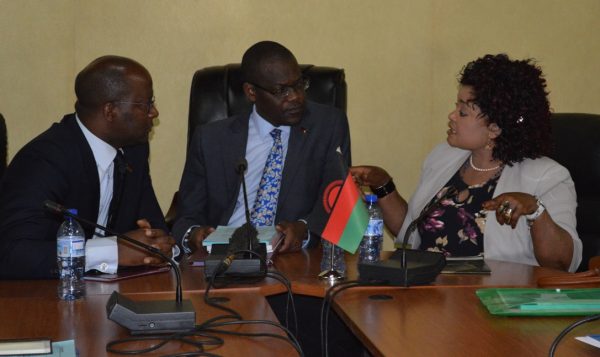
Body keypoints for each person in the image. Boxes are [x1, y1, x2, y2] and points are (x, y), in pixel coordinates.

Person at [351, 54, 582, 272]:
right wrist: (383, 185)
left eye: (463, 111)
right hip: (426, 297)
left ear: (495, 128)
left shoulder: (547, 177)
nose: (452, 115)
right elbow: (410, 233)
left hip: (496, 302)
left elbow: (562, 263)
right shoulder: (443, 156)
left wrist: (535, 210)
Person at [0, 55, 175, 279]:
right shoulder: (44, 159)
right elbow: (13, 254)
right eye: (145, 104)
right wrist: (112, 252)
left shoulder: (133, 150)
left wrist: (158, 245)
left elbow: (155, 229)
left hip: (111, 293)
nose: (154, 112)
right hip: (44, 296)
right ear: (110, 111)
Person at [173, 41, 351, 255]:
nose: (296, 97)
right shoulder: (210, 138)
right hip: (222, 258)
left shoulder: (327, 125)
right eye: (282, 90)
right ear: (251, 92)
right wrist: (194, 234)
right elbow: (186, 214)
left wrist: (304, 228)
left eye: (299, 84)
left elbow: (337, 197)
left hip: (289, 258)